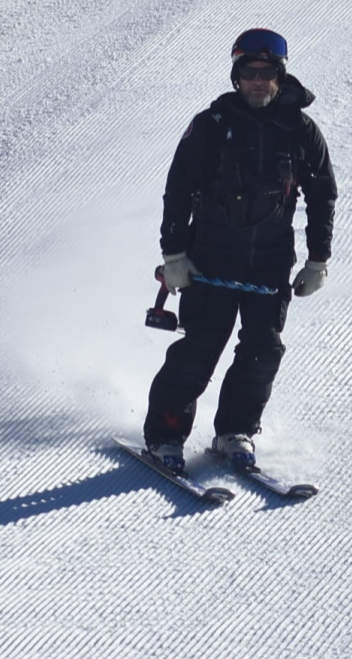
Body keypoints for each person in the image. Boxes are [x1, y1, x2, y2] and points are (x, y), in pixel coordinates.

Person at [142, 28, 337, 474]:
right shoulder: (211, 126)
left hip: (269, 263)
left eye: (267, 73)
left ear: (279, 76)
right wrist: (174, 256)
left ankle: (235, 431)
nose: (257, 81)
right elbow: (178, 190)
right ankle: (165, 436)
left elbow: (322, 196)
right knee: (198, 351)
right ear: (236, 77)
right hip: (210, 259)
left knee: (262, 351)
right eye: (249, 73)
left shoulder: (301, 131)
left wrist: (318, 260)